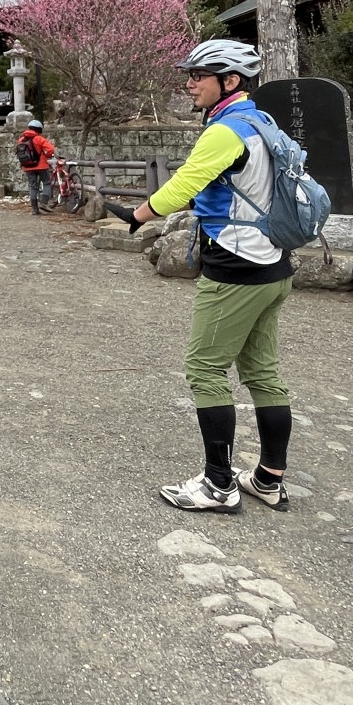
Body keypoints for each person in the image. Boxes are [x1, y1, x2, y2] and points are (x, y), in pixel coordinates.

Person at [130, 40, 295, 515]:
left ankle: (219, 485)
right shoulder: (263, 122)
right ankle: (267, 479)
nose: (190, 83)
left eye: (198, 75)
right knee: (262, 372)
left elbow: (184, 185)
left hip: (236, 267)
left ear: (230, 80)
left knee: (205, 369)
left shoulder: (226, 130)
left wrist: (137, 215)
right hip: (273, 263)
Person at [16, 119, 56, 214]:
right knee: (46, 183)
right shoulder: (39, 139)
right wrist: (46, 155)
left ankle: (35, 209)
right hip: (41, 165)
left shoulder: (21, 140)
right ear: (39, 129)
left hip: (28, 166)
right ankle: (44, 203)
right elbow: (50, 149)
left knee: (33, 186)